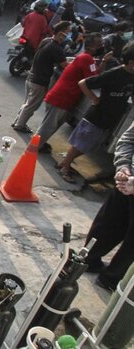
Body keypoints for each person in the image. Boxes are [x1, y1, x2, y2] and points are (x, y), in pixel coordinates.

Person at [57, 43, 134, 183]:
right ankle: (65, 167)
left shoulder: (132, 76)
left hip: (111, 118)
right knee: (80, 144)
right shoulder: (114, 73)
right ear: (130, 62)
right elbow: (83, 83)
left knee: (89, 146)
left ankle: (65, 163)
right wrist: (94, 99)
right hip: (97, 116)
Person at [35, 33, 111, 154]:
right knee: (48, 125)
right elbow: (94, 80)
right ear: (91, 46)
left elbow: (95, 74)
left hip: (67, 97)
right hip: (62, 96)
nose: (102, 46)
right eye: (99, 45)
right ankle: (34, 147)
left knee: (54, 124)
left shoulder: (87, 58)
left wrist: (104, 62)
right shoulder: (86, 58)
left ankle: (40, 144)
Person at [83, 120, 134, 292]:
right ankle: (94, 265)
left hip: (129, 181)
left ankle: (106, 274)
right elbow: (128, 139)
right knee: (108, 223)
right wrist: (123, 166)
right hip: (126, 180)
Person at [12, 21, 70, 133]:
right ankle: (20, 125)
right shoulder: (56, 48)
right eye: (66, 33)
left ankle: (18, 121)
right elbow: (65, 65)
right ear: (61, 33)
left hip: (31, 76)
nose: (66, 36)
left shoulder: (46, 41)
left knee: (28, 103)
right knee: (32, 105)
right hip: (39, 81)